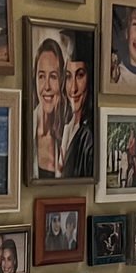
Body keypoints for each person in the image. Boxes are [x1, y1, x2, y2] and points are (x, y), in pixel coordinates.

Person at [32, 38, 69, 177]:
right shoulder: (24, 130)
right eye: (41, 76)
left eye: (53, 77)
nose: (46, 86)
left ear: (62, 81)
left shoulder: (68, 134)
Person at [61, 48, 95, 178]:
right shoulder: (66, 127)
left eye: (80, 75)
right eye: (68, 77)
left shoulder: (89, 135)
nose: (73, 88)